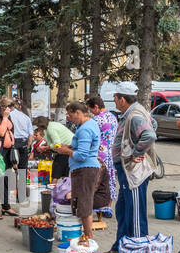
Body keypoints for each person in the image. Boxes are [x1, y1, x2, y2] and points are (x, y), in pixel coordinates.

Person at [102, 85, 157, 253]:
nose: (115, 102)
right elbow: (153, 124)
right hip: (126, 171)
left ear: (122, 99)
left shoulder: (133, 116)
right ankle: (121, 247)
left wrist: (137, 153)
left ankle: (140, 251)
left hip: (133, 172)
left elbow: (149, 134)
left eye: (116, 99)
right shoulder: (135, 112)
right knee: (123, 209)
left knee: (135, 212)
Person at [64, 101, 110, 245]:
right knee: (82, 202)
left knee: (84, 203)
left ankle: (89, 237)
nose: (70, 119)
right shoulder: (88, 125)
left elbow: (82, 155)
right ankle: (85, 235)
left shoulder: (85, 129)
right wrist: (71, 147)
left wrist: (67, 151)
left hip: (85, 169)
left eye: (71, 115)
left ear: (78, 112)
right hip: (84, 169)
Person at [87, 95, 118, 215]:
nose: (91, 113)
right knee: (110, 179)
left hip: (99, 153)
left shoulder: (96, 120)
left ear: (96, 107)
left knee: (97, 180)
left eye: (91, 110)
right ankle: (108, 206)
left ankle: (96, 205)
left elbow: (91, 137)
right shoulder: (113, 117)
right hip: (111, 152)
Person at [3, 100, 33, 215]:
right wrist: (28, 147)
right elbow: (30, 135)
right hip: (24, 144)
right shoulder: (25, 117)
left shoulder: (8, 116)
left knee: (9, 170)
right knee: (22, 170)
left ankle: (9, 195)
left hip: (12, 144)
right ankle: (21, 196)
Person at [34, 115, 74, 180]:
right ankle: (64, 188)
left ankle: (53, 188)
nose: (38, 128)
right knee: (65, 174)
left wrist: (45, 148)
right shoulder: (52, 125)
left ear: (41, 125)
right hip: (69, 148)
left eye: (38, 126)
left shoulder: (50, 128)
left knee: (55, 174)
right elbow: (52, 140)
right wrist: (46, 144)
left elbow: (57, 143)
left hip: (65, 149)